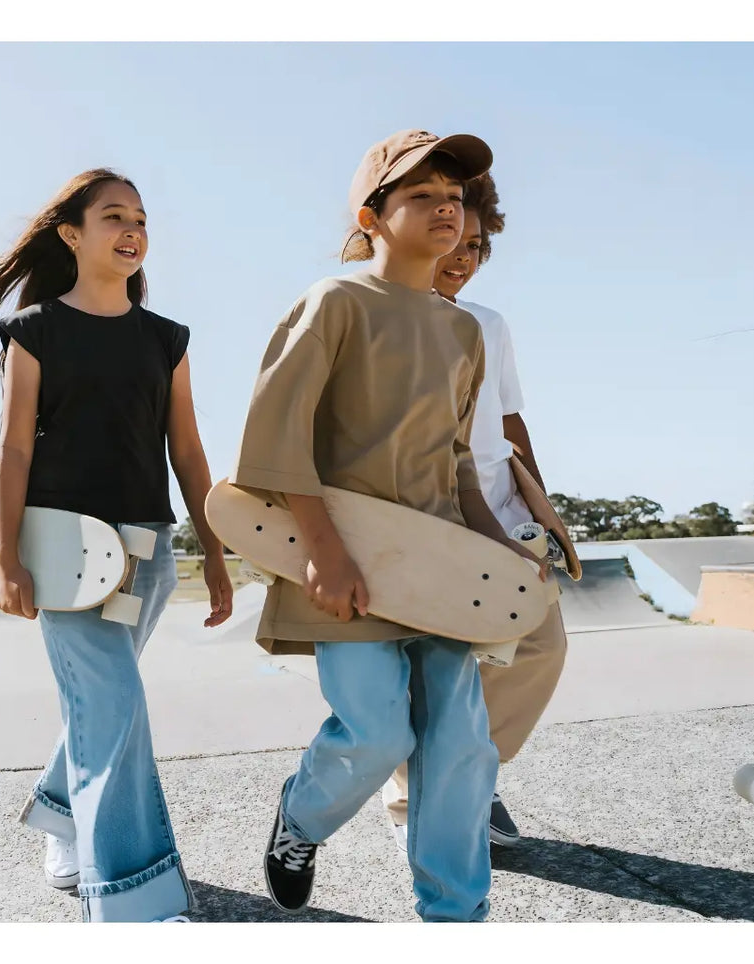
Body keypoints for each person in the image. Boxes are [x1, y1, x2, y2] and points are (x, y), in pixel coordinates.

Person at [230, 130, 545, 922]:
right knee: (375, 734)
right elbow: (276, 435)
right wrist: (325, 555)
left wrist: (501, 550)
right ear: (371, 216)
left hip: (442, 571)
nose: (446, 209)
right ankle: (300, 818)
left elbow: (456, 463)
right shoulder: (333, 302)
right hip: (347, 562)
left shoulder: (463, 332)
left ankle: (453, 915)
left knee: (460, 746)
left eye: (454, 197)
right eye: (421, 196)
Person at [0, 168, 233, 922]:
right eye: (113, 216)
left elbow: (190, 453)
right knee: (112, 705)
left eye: (140, 217)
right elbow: (13, 450)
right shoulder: (35, 331)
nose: (131, 229)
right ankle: (131, 898)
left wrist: (213, 551)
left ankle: (60, 816)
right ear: (72, 234)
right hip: (62, 551)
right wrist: (6, 556)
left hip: (145, 549)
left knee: (105, 704)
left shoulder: (164, 339)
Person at [381, 173, 568, 850]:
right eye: (457, 236)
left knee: (540, 648)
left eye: (479, 245)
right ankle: (432, 793)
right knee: (446, 666)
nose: (464, 252)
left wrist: (542, 505)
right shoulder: (386, 316)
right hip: (433, 516)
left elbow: (509, 418)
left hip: (502, 507)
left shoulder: (489, 323)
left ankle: (464, 775)